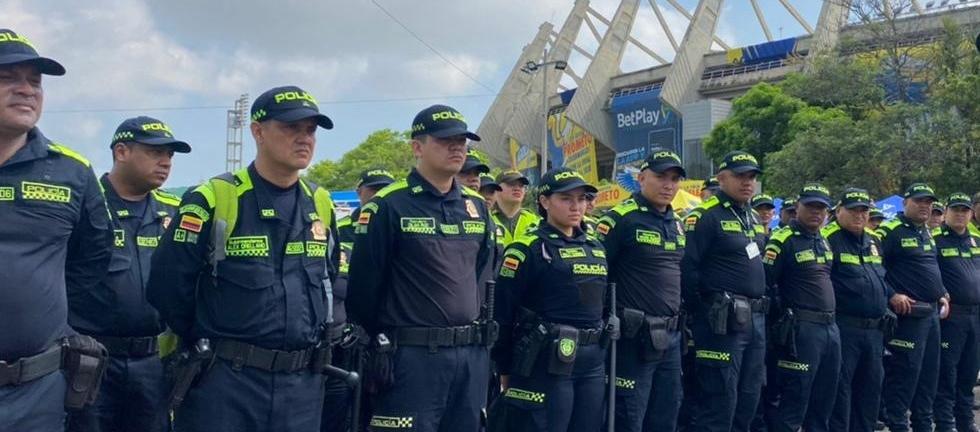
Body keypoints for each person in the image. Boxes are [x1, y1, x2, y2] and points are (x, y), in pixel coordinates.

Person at [147, 85, 340, 432]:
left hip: (302, 386)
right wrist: (212, 340)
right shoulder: (213, 198)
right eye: (291, 128)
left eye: (310, 130)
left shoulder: (321, 203)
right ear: (258, 131)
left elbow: (329, 276)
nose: (304, 139)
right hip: (226, 383)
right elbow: (166, 286)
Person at [347, 104, 496, 432]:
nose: (457, 147)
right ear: (417, 146)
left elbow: (483, 275)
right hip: (411, 357)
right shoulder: (388, 205)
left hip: (469, 357)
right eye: (445, 140)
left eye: (462, 140)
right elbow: (363, 291)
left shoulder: (477, 209)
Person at [0, 28, 113, 431]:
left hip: (35, 391)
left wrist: (46, 310)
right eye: (7, 77)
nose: (26, 90)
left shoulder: (72, 173)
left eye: (35, 81)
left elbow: (94, 258)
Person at [67, 116, 190, 432]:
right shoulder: (85, 203)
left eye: (170, 155)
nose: (165, 162)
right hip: (91, 360)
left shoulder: (174, 211)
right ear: (121, 152)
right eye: (155, 152)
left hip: (152, 362)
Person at [490, 168, 608, 432]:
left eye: (581, 198)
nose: (576, 206)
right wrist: (505, 368)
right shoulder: (527, 248)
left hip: (592, 361)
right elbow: (503, 314)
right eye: (566, 198)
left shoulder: (596, 247)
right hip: (546, 359)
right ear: (544, 202)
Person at [595, 149, 686, 432]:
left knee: (666, 415)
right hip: (633, 337)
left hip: (671, 336)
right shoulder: (620, 219)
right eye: (661, 177)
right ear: (642, 178)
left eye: (674, 179)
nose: (668, 184)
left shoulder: (678, 223)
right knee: (628, 416)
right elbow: (598, 274)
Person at [681, 151, 769, 432]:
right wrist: (703, 312)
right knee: (720, 400)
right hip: (721, 320)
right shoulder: (704, 216)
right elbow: (689, 270)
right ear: (721, 179)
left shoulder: (752, 216)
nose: (748, 182)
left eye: (752, 177)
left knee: (749, 397)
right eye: (741, 176)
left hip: (755, 319)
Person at [823, 188, 902, 432]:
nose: (859, 215)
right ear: (838, 211)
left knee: (870, 391)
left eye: (864, 210)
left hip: (875, 330)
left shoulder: (873, 240)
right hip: (845, 327)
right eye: (853, 210)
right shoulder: (827, 238)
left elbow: (878, 278)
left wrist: (892, 295)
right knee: (841, 392)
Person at [764, 183, 841, 432]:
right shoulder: (782, 239)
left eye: (822, 208)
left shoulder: (824, 240)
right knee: (794, 401)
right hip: (801, 330)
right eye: (811, 206)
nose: (816, 212)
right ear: (798, 207)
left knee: (824, 400)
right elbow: (766, 284)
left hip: (830, 328)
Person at [322, 168, 394, 432]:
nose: (378, 194)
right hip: (341, 338)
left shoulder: (390, 222)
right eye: (373, 189)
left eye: (384, 189)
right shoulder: (339, 229)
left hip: (380, 336)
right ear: (359, 193)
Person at [877, 183, 950, 432]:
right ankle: (897, 426)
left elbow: (928, 268)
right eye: (919, 201)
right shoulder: (890, 231)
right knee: (904, 377)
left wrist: (941, 292)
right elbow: (875, 269)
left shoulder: (926, 232)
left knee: (929, 378)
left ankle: (922, 426)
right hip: (908, 317)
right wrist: (892, 294)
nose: (925, 207)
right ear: (905, 202)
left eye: (929, 203)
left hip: (931, 315)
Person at [932, 193, 980, 432]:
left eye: (965, 210)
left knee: (969, 372)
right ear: (946, 212)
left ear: (971, 214)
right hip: (951, 316)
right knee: (947, 373)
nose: (960, 214)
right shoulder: (935, 239)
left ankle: (965, 421)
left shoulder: (975, 241)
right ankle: (945, 422)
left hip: (975, 316)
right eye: (955, 209)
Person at [494, 170, 541, 246]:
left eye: (521, 185)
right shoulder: (487, 220)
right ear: (496, 189)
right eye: (511, 184)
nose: (517, 188)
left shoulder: (535, 222)